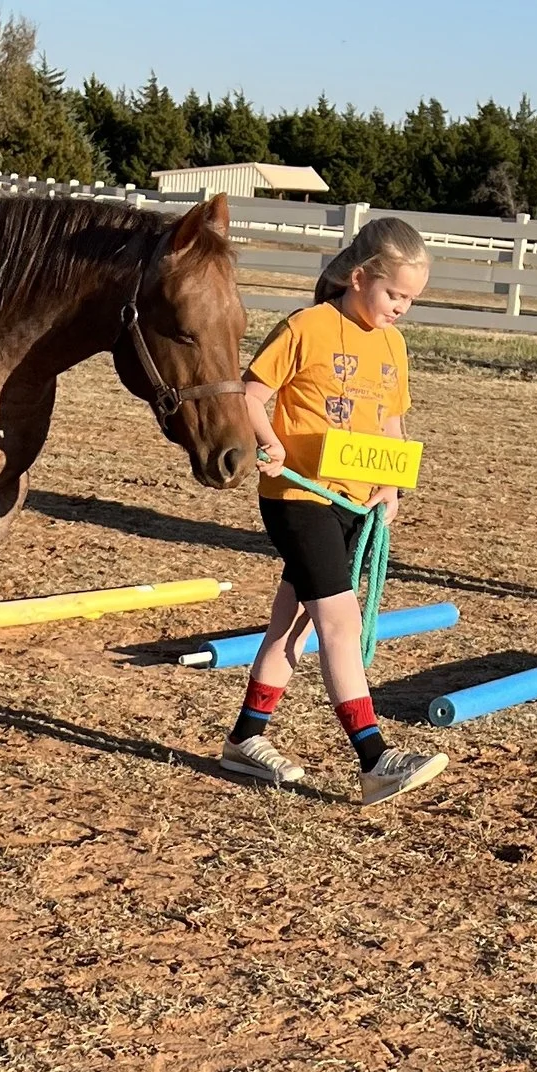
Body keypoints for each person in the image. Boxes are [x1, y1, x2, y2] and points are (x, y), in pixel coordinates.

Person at [220, 214, 451, 804]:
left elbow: (391, 423)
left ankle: (246, 739)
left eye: (410, 299)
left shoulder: (393, 345)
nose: (401, 307)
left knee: (291, 625)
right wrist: (267, 442)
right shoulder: (307, 327)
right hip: (299, 497)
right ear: (358, 276)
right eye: (394, 293)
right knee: (338, 623)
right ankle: (375, 759)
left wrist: (392, 485)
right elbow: (250, 396)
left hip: (353, 499)